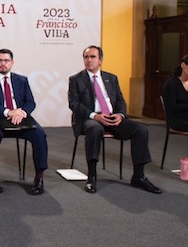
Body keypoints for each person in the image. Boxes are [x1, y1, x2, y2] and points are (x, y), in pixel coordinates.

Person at [68, 45, 161, 194]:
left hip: (112, 117)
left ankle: (139, 176)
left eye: (93, 57)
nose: (89, 60)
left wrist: (120, 115)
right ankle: (91, 176)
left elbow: (120, 100)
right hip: (89, 118)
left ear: (100, 60)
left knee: (141, 130)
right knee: (95, 128)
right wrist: (95, 116)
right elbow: (74, 104)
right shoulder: (76, 80)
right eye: (86, 57)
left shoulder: (111, 78)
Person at [0, 49, 48, 195]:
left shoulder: (22, 80)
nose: (3, 64)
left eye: (6, 61)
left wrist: (21, 112)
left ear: (12, 63)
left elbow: (30, 102)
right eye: (0, 60)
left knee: (40, 135)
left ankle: (39, 177)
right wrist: (9, 112)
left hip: (19, 116)